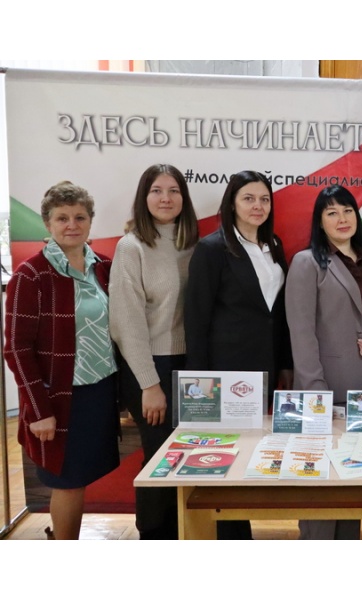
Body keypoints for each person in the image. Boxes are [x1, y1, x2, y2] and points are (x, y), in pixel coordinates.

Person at [4, 181, 119, 540]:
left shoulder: (103, 267)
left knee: (80, 477)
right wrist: (38, 410)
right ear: (47, 223)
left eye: (80, 217)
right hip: (58, 398)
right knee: (67, 482)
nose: (72, 225)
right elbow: (16, 348)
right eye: (62, 218)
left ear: (90, 221)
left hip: (99, 392)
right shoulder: (31, 275)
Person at [185, 170, 293, 539]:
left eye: (264, 199)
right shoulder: (212, 249)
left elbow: (277, 314)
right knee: (225, 458)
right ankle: (231, 537)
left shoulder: (273, 244)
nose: (257, 206)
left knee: (253, 452)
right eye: (248, 198)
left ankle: (240, 530)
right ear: (232, 203)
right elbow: (196, 318)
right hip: (225, 372)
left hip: (264, 367)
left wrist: (285, 363)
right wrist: (200, 383)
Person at [286, 184, 362, 540]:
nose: (342, 218)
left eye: (347, 210)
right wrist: (316, 394)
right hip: (323, 388)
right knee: (319, 486)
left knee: (354, 481)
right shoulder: (307, 263)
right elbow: (301, 332)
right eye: (331, 212)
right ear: (320, 221)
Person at [110, 164, 199, 540]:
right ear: (143, 197)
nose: (166, 198)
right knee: (160, 460)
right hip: (150, 367)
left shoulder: (194, 243)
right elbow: (125, 323)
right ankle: (155, 538)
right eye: (157, 191)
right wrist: (149, 384)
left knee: (193, 458)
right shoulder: (131, 247)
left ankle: (189, 536)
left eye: (174, 191)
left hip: (192, 366)